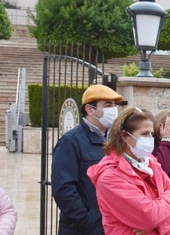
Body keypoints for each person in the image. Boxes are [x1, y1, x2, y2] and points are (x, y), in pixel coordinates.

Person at [87, 106, 170, 234]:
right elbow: (149, 216)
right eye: (144, 134)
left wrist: (157, 225)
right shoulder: (110, 177)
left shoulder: (150, 162)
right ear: (125, 136)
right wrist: (158, 217)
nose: (150, 139)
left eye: (151, 134)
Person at [52, 84, 124, 235]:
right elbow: (63, 189)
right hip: (83, 229)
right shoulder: (71, 141)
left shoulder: (113, 141)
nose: (113, 110)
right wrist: (88, 221)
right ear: (90, 109)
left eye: (114, 105)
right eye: (107, 105)